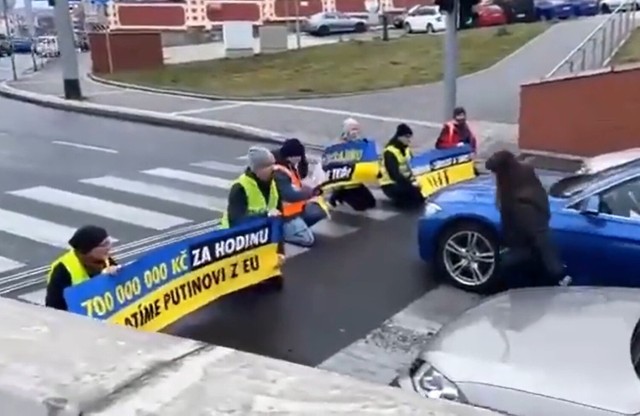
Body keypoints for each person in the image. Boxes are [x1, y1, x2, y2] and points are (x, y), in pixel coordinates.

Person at [485, 150, 569, 287]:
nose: (494, 180)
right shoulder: (528, 184)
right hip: (528, 262)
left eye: (496, 175)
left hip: (525, 267)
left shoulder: (522, 206)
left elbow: (541, 238)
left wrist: (557, 273)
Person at [221, 146, 285, 264]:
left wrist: (280, 251)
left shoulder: (273, 184)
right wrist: (265, 216)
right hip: (236, 243)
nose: (273, 169)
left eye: (273, 165)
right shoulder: (240, 188)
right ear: (257, 169)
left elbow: (279, 219)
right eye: (268, 166)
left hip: (262, 239)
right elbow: (237, 222)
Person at [46, 225, 119, 311]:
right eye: (104, 245)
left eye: (109, 242)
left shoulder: (105, 260)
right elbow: (54, 308)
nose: (109, 247)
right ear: (87, 251)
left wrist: (116, 276)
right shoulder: (62, 271)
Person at [273, 138, 328, 247]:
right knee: (308, 240)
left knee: (320, 211)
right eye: (299, 156)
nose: (301, 159)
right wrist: (310, 193)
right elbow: (289, 195)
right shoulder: (279, 171)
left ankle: (298, 227)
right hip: (284, 215)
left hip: (296, 210)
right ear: (292, 156)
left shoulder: (289, 165)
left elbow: (297, 182)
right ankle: (283, 233)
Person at [327, 118, 377, 211]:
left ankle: (340, 196)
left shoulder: (358, 144)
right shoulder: (338, 146)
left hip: (355, 181)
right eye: (353, 130)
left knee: (371, 203)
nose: (355, 133)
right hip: (343, 182)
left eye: (357, 130)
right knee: (360, 207)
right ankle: (336, 197)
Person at [379, 123, 425, 209]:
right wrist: (411, 184)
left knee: (421, 196)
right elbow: (394, 175)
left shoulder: (406, 149)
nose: (409, 140)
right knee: (412, 200)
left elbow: (413, 166)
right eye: (407, 137)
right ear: (400, 137)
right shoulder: (390, 152)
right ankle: (397, 201)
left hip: (405, 180)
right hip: (390, 184)